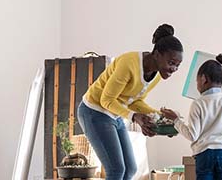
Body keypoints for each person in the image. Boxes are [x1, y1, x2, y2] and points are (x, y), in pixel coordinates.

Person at [76, 24, 184, 180]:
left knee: (130, 169)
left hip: (114, 114)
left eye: (177, 65)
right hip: (94, 111)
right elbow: (106, 99)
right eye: (171, 63)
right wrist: (135, 117)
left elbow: (135, 101)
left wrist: (161, 119)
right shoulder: (129, 63)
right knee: (116, 170)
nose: (174, 69)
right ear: (158, 54)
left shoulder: (158, 74)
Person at [161, 54, 222, 180]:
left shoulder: (198, 103)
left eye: (196, 81)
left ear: (203, 79)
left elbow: (192, 135)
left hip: (204, 155)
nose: (197, 85)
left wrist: (176, 120)